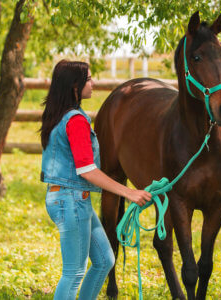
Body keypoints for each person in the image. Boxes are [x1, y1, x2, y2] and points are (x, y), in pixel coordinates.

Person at [40, 60, 151, 300]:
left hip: (71, 199)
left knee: (104, 260)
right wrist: (129, 192)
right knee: (74, 272)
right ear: (74, 86)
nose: (93, 83)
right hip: (71, 201)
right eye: (88, 79)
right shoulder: (76, 121)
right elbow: (87, 170)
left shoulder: (58, 114)